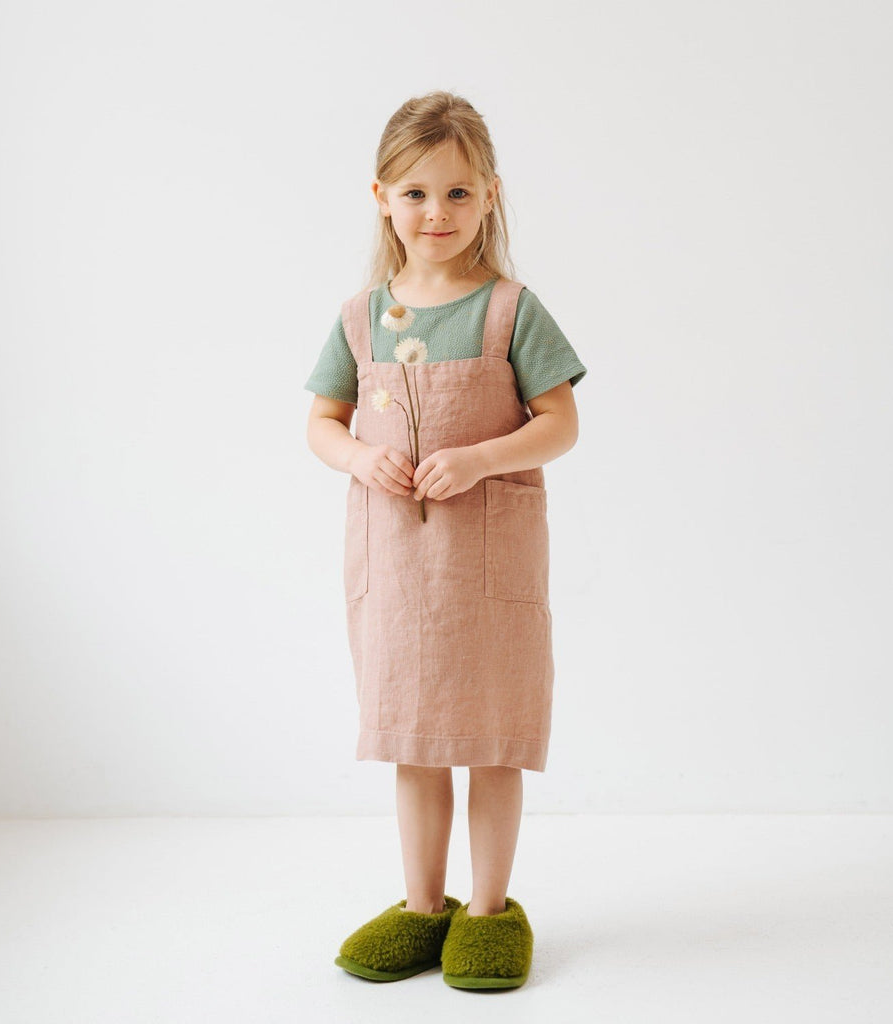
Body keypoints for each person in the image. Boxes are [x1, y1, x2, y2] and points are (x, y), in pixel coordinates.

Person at [304, 90, 587, 990]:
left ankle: (492, 910)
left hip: (488, 568)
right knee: (416, 741)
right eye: (417, 193)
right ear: (381, 196)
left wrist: (480, 460)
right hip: (399, 571)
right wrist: (358, 457)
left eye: (459, 194)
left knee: (493, 741)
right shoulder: (362, 317)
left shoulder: (510, 311)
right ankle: (424, 908)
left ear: (491, 196)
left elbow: (560, 424)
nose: (438, 213)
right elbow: (321, 422)